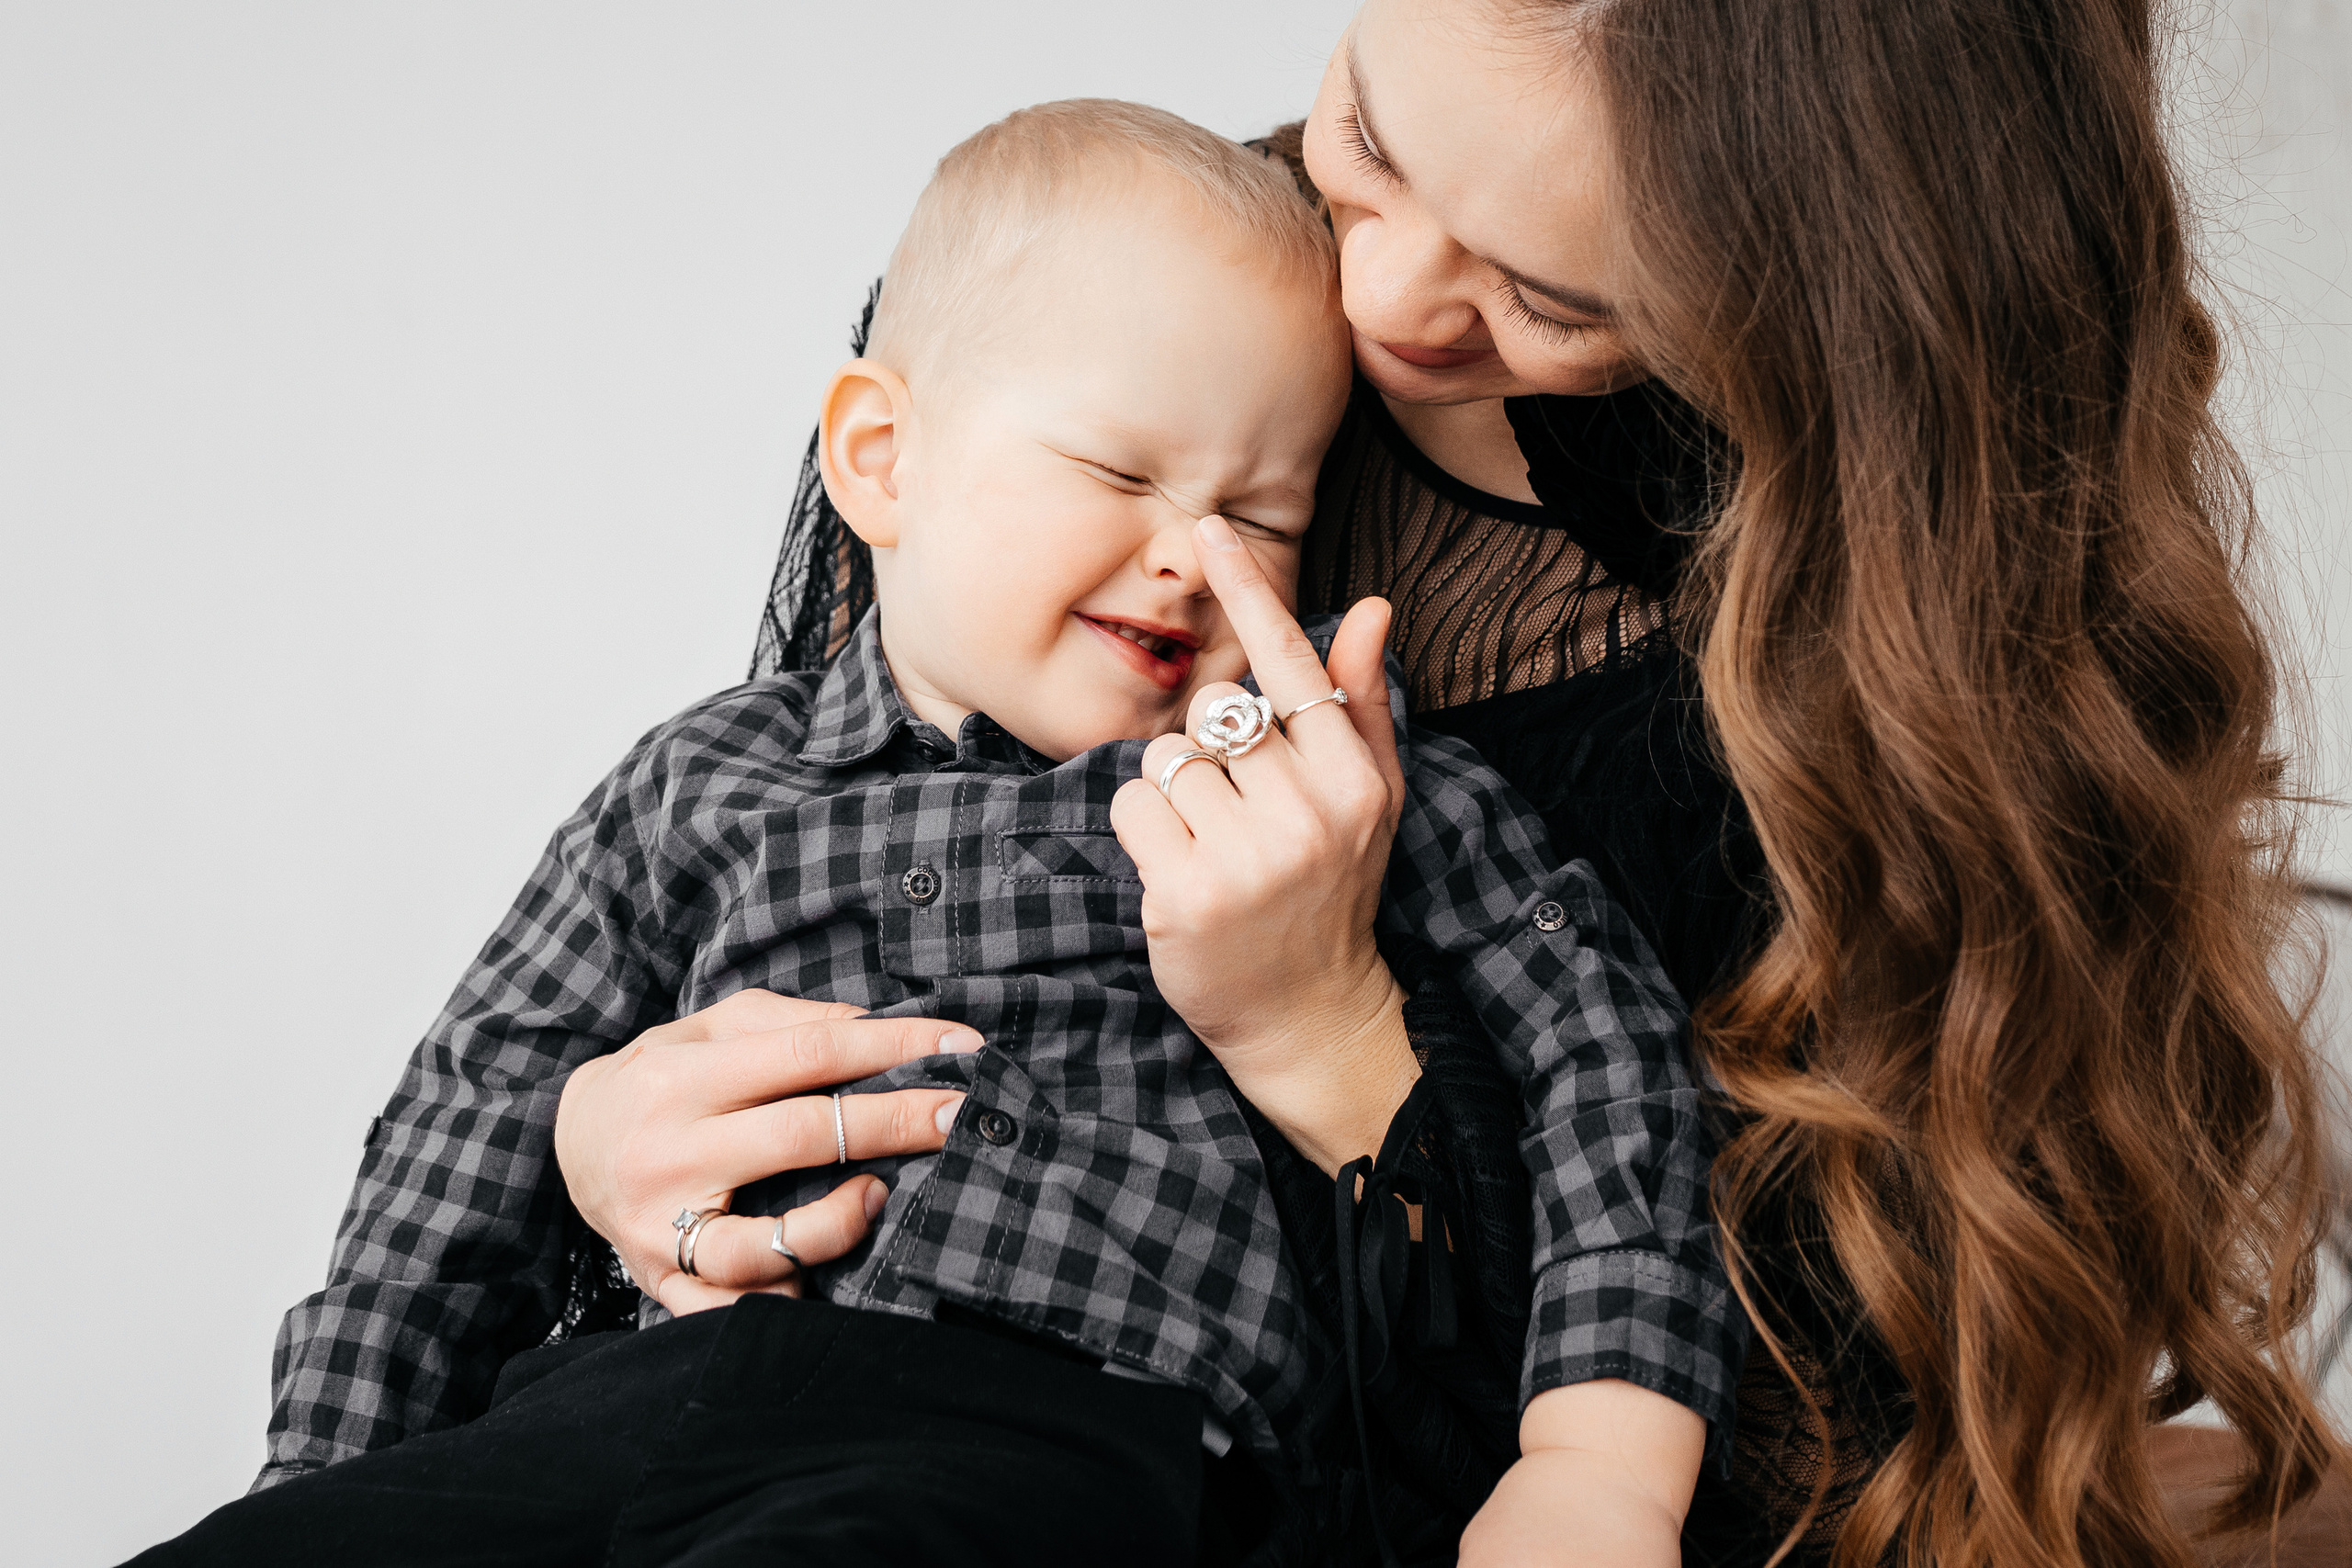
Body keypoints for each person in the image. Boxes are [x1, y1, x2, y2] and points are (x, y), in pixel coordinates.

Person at [567, 2, 2352, 1565]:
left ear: (1809, 273)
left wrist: (1326, 1039)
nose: (1382, 296)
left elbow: (1751, 1454)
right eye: (1366, 130)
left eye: (1552, 289)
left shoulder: (1881, 647)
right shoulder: (1140, 301)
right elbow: (802, 848)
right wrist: (608, 1136)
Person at [138, 100, 1736, 1567]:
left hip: (1064, 1437)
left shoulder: (1345, 785)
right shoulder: (699, 781)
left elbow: (1611, 1068)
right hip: (646, 1391)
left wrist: (1598, 1461)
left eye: (1261, 514)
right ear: (880, 461)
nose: (1191, 554)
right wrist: (321, 1484)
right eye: (1121, 470)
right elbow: (462, 1133)